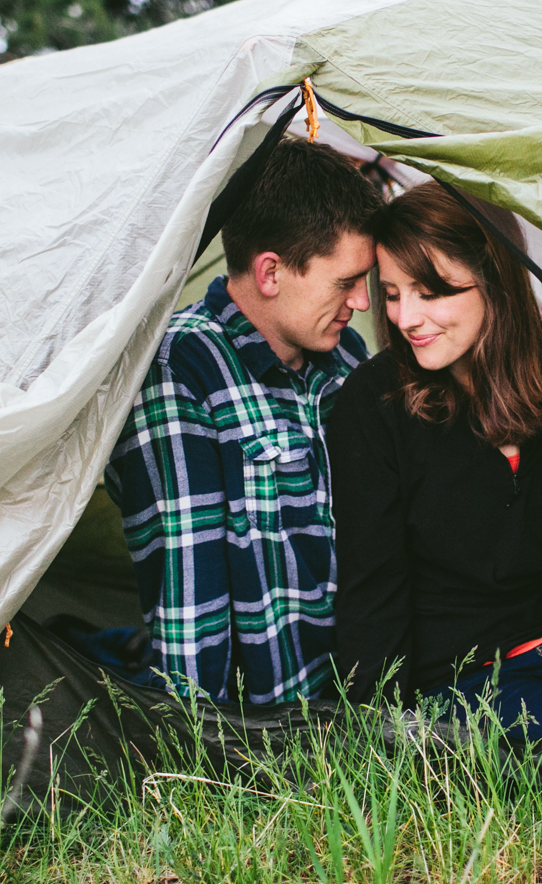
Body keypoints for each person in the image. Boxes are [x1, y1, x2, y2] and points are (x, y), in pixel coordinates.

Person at [329, 182, 542, 739]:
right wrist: (378, 730)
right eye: (394, 293)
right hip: (465, 671)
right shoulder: (374, 404)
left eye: (429, 292)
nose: (405, 318)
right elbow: (372, 586)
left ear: (495, 280)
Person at [104, 136, 381, 705]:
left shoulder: (351, 358)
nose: (363, 303)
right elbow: (188, 585)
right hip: (262, 727)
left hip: (361, 701)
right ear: (271, 272)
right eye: (346, 282)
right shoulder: (181, 366)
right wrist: (206, 751)